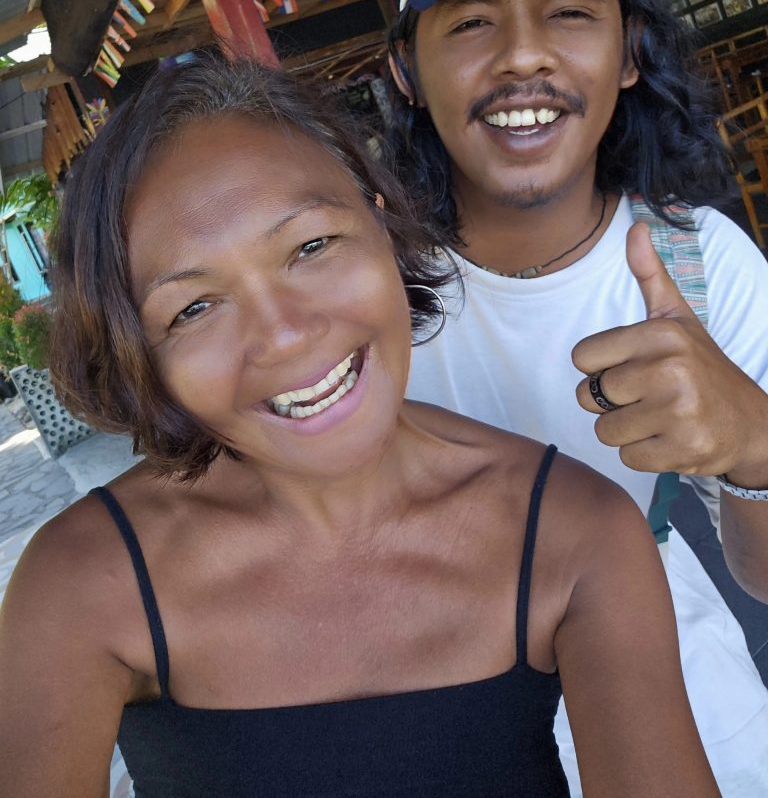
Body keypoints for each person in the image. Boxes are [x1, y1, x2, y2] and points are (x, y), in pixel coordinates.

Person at [0, 58, 719, 798]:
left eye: (311, 247)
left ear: (382, 219)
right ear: (142, 359)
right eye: (194, 309)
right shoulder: (84, 584)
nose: (283, 336)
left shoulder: (579, 529)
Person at [385, 0, 768, 796]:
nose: (523, 57)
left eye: (569, 13)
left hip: (704, 727)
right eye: (471, 21)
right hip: (451, 741)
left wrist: (755, 450)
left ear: (629, 53)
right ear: (406, 71)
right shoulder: (364, 299)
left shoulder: (702, 265)